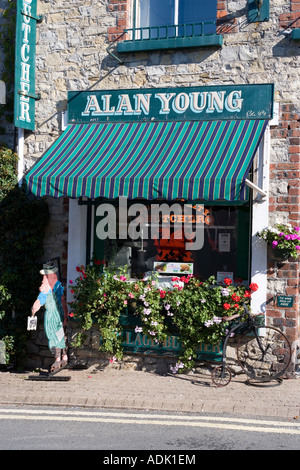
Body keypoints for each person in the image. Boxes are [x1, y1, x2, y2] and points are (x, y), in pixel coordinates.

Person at [31, 262, 68, 373]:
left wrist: (65, 314)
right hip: (54, 316)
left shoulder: (56, 286)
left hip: (57, 316)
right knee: (58, 336)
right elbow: (40, 300)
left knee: (59, 337)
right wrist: (34, 309)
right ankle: (60, 358)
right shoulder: (47, 287)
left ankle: (61, 358)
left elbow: (62, 301)